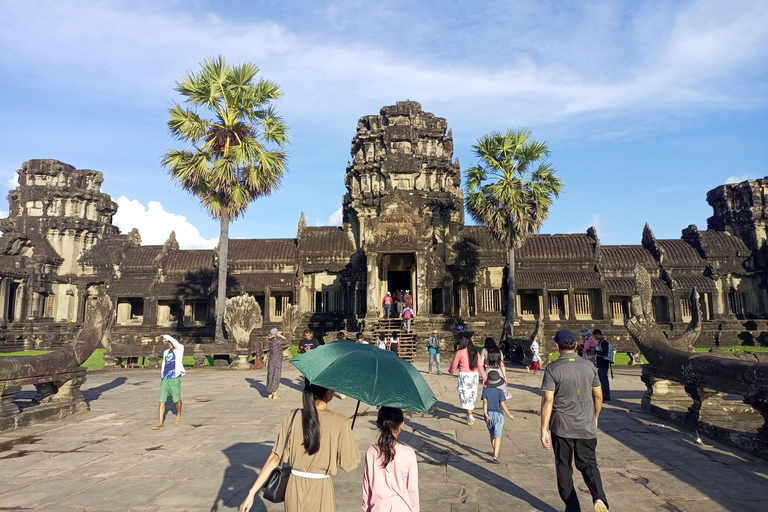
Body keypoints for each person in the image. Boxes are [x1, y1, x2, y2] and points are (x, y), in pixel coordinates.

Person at [239, 379, 361, 512]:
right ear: (328, 392)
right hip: (321, 489)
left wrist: (251, 493)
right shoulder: (340, 421)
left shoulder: (293, 416)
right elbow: (350, 463)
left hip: (295, 487)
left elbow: (275, 457)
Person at [540, 329, 609, 512]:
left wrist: (544, 429)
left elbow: (548, 399)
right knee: (588, 463)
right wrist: (594, 417)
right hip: (586, 424)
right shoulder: (589, 367)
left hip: (562, 426)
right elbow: (599, 396)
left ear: (557, 346)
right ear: (576, 346)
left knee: (564, 467)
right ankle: (599, 497)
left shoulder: (553, 368)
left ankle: (572, 508)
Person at [362, 406, 420, 512]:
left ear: (378, 424)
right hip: (402, 507)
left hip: (377, 507)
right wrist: (415, 509)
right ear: (402, 425)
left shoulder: (371, 451)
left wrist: (366, 507)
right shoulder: (408, 453)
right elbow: (412, 489)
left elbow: (367, 485)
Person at [448, 335, 487, 425]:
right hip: (474, 376)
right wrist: (485, 378)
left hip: (464, 376)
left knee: (464, 395)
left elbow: (454, 364)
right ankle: (469, 415)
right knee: (472, 395)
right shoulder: (475, 352)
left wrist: (451, 370)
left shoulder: (460, 352)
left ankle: (470, 415)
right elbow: (480, 366)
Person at [482, 370, 515, 463]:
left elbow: (485, 402)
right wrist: (509, 414)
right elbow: (503, 404)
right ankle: (496, 455)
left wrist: (485, 413)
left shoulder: (485, 390)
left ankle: (495, 451)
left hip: (488, 414)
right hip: (498, 414)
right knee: (498, 436)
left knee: (492, 434)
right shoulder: (500, 392)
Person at [153, 334, 185, 430]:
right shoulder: (166, 352)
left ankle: (178, 413)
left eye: (170, 342)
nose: (169, 344)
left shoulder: (180, 349)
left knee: (177, 399)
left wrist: (166, 336)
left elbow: (175, 342)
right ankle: (160, 422)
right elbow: (164, 364)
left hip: (174, 378)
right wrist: (162, 376)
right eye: (169, 342)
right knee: (162, 401)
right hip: (165, 378)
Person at [266, 327, 287, 400]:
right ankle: (275, 394)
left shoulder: (271, 341)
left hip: (271, 358)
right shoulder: (277, 341)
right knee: (276, 375)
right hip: (277, 359)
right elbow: (287, 340)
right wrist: (281, 336)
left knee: (271, 375)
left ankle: (269, 392)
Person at [592, 329, 612, 402]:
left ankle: (603, 395)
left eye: (595, 336)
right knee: (605, 380)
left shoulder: (604, 342)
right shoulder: (601, 342)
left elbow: (604, 353)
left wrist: (595, 351)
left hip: (603, 363)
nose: (595, 338)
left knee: (602, 380)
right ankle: (606, 395)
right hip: (602, 363)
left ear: (598, 334)